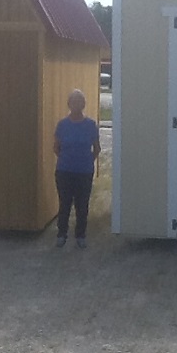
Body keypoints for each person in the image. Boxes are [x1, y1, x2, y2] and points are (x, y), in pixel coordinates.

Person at [53, 89, 101, 248]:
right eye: (73, 102)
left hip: (84, 172)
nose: (76, 105)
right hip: (64, 171)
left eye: (79, 102)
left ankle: (80, 235)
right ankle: (62, 234)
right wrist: (67, 159)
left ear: (83, 104)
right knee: (64, 203)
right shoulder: (62, 125)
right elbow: (56, 148)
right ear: (69, 104)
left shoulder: (90, 125)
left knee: (82, 205)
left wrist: (88, 161)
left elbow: (97, 148)